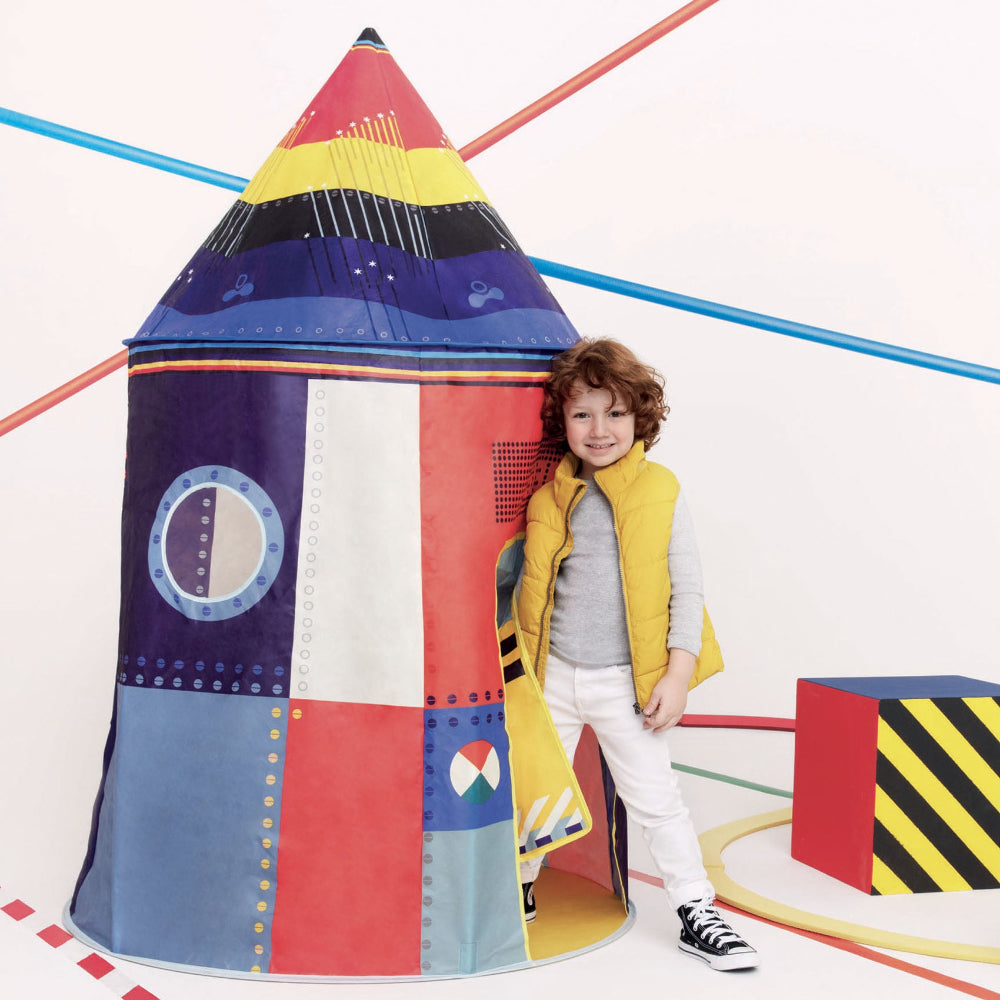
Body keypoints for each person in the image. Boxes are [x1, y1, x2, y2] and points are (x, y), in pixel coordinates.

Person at [514, 338, 758, 971]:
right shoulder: (546, 499)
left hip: (626, 682)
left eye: (616, 413)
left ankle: (695, 908)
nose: (600, 430)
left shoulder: (661, 490)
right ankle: (517, 886)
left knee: (656, 799)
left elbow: (687, 590)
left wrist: (677, 675)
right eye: (583, 414)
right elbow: (530, 591)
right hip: (553, 679)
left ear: (640, 417)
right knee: (533, 787)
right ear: (561, 421)